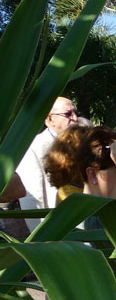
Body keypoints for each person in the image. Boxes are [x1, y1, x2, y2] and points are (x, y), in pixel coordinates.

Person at [14, 96, 78, 231]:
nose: (75, 118)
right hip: (56, 227)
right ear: (50, 119)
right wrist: (40, 236)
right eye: (68, 114)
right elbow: (32, 197)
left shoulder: (81, 143)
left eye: (76, 113)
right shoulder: (34, 147)